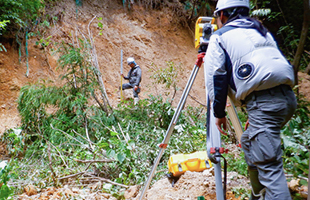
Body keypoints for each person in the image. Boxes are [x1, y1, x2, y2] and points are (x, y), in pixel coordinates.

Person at [204, 0, 297, 199]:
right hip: (287, 100)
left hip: (265, 104)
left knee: (271, 169)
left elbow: (216, 78)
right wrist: (256, 115)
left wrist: (219, 114)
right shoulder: (262, 31)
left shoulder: (220, 37)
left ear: (222, 16)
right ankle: (259, 193)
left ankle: (269, 191)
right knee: (248, 141)